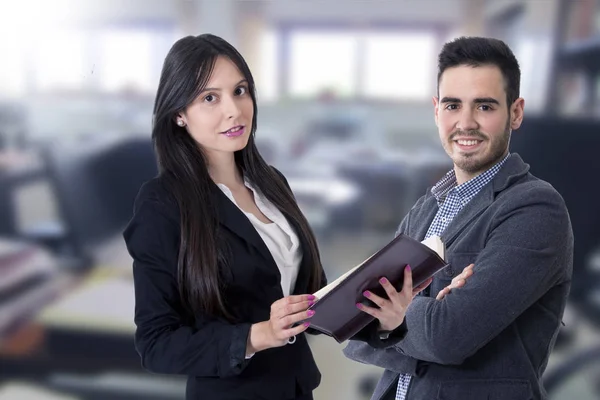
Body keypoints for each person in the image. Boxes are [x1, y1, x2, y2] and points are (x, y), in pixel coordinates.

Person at [123, 33, 429, 400]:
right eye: (209, 98)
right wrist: (259, 334)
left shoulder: (270, 182)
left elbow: (311, 301)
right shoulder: (163, 203)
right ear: (179, 115)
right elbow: (156, 344)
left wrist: (384, 318)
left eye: (240, 91)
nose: (234, 110)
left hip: (296, 389)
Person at [343, 36, 574, 400]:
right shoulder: (425, 209)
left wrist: (398, 316)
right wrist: (424, 313)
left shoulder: (535, 209)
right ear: (436, 110)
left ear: (515, 112)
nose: (465, 123)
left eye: (484, 106)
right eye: (453, 105)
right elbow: (353, 333)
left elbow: (447, 338)